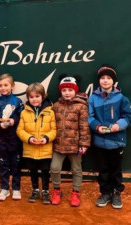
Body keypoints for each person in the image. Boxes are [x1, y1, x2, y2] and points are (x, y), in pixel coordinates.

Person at [88, 65, 131, 209]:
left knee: (116, 170)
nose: (105, 81)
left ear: (113, 81)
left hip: (117, 141)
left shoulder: (122, 98)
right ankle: (105, 193)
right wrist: (97, 126)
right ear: (99, 81)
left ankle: (116, 193)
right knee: (103, 169)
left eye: (108, 78)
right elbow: (90, 117)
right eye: (102, 78)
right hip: (100, 142)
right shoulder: (93, 99)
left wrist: (118, 125)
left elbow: (127, 117)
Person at [50, 75, 91, 207]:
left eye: (70, 90)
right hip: (58, 145)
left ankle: (75, 193)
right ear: (60, 91)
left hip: (76, 147)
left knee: (76, 170)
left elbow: (84, 127)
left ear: (75, 91)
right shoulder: (55, 106)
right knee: (54, 168)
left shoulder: (81, 106)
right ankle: (57, 190)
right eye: (64, 90)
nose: (67, 93)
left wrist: (84, 144)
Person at [16, 82, 56, 204]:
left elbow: (54, 130)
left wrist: (46, 138)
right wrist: (29, 138)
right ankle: (35, 190)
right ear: (28, 98)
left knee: (45, 171)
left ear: (43, 97)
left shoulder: (51, 112)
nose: (34, 99)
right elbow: (19, 130)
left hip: (45, 149)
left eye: (37, 96)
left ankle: (45, 191)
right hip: (30, 149)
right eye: (31, 97)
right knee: (32, 170)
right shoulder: (24, 112)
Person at [0, 73, 23, 201]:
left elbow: (21, 117)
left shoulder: (18, 101)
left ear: (12, 86)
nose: (3, 88)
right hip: (1, 140)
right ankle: (4, 189)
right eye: (0, 86)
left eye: (6, 85)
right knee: (3, 166)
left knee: (15, 165)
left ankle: (16, 189)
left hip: (14, 140)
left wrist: (13, 121)